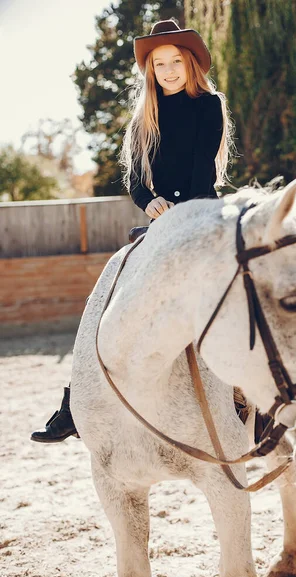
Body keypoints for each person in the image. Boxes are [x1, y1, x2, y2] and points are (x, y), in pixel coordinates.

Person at [30, 19, 233, 443]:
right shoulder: (145, 116)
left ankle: (256, 400)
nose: (169, 70)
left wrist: (180, 211)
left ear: (191, 63)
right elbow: (136, 179)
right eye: (160, 64)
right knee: (107, 292)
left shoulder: (209, 105)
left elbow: (200, 170)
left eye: (176, 61)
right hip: (159, 220)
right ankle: (75, 402)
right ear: (151, 71)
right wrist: (149, 202)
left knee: (239, 291)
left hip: (200, 216)